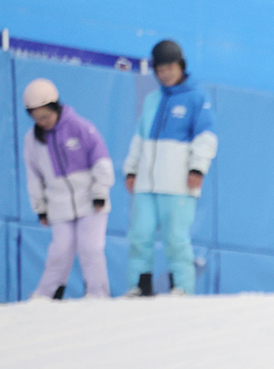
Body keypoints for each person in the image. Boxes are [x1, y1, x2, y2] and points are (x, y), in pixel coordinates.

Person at [123, 39, 217, 296]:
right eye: (160, 70)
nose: (165, 75)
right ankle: (140, 286)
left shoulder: (196, 98)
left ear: (181, 66)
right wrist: (131, 170)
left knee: (175, 238)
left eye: (169, 69)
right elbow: (139, 138)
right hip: (146, 184)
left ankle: (182, 287)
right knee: (139, 235)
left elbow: (206, 137)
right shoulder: (152, 99)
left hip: (178, 184)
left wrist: (197, 169)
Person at [22, 78, 114, 300]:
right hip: (59, 205)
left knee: (90, 248)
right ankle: (46, 295)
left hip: (91, 201)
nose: (43, 122)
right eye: (37, 118)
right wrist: (40, 207)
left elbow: (101, 160)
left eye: (46, 116)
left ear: (56, 107)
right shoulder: (33, 140)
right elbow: (33, 176)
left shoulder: (80, 127)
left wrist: (100, 192)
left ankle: (97, 294)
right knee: (60, 250)